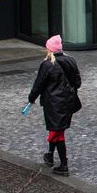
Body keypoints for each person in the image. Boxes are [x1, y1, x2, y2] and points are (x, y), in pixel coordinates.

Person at [28, 35, 82, 177]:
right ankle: (50, 155)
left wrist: (31, 98)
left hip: (53, 104)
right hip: (68, 102)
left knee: (57, 133)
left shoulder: (47, 64)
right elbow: (78, 83)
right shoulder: (71, 61)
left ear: (49, 49)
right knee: (57, 130)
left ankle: (64, 165)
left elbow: (38, 85)